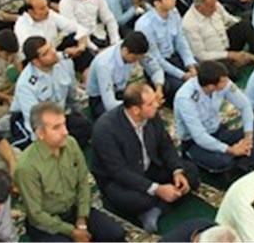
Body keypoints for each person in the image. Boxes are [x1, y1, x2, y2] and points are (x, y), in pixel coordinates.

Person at [92, 83, 201, 232]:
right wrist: (157, 189)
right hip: (120, 180)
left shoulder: (151, 115)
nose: (156, 105)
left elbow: (165, 145)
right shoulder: (105, 130)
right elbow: (118, 172)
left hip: (150, 167)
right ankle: (158, 204)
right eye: (150, 104)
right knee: (135, 200)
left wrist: (177, 171)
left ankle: (156, 209)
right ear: (136, 110)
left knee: (190, 171)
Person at [14, 101, 126, 242]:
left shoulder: (70, 143)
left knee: (116, 233)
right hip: (47, 224)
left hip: (74, 211)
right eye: (56, 128)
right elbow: (36, 214)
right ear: (40, 133)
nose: (65, 132)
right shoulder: (26, 167)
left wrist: (82, 219)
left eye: (64, 124)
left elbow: (83, 181)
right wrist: (71, 231)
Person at [174, 61, 254, 174]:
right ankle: (244, 161)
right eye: (223, 81)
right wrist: (231, 150)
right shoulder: (185, 98)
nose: (227, 83)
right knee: (223, 161)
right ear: (211, 86)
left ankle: (241, 163)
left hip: (218, 131)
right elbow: (200, 137)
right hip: (195, 143)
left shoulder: (222, 83)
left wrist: (248, 137)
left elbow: (245, 105)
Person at [9, 36, 91, 148]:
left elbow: (72, 94)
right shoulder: (26, 84)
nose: (53, 52)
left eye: (51, 47)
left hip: (58, 114)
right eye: (46, 53)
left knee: (84, 127)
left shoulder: (64, 62)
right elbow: (33, 121)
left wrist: (78, 113)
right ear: (36, 62)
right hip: (34, 121)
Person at [182, 0, 254, 78]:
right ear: (199, 7)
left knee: (245, 25)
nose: (215, 9)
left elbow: (228, 20)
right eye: (211, 7)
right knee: (232, 73)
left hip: (226, 44)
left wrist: (243, 25)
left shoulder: (215, 5)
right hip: (214, 57)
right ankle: (247, 58)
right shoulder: (189, 24)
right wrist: (230, 55)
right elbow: (201, 56)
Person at [135, 0, 199, 100]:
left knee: (205, 72)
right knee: (185, 91)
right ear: (157, 3)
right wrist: (183, 75)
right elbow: (157, 59)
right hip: (159, 67)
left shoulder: (174, 13)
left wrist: (191, 66)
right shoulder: (144, 25)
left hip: (175, 57)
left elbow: (181, 41)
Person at [86, 31, 165, 118]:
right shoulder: (104, 65)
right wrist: (141, 105)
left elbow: (155, 70)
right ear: (125, 51)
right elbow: (109, 104)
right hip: (100, 98)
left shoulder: (136, 50)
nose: (136, 62)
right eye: (134, 58)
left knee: (149, 110)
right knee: (124, 117)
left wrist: (159, 89)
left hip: (121, 90)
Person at [14, 0, 93, 73]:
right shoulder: (21, 25)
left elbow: (77, 28)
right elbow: (35, 52)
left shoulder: (50, 14)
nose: (47, 10)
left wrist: (81, 47)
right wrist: (63, 54)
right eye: (42, 8)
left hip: (54, 49)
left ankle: (89, 75)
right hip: (38, 58)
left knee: (74, 39)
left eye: (47, 6)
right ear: (31, 12)